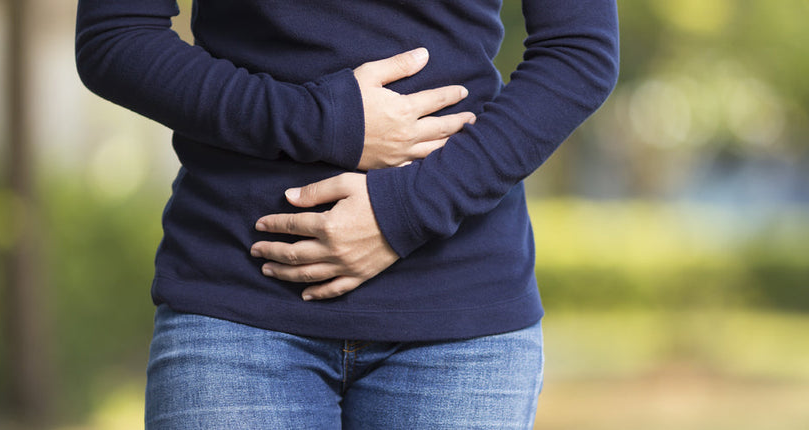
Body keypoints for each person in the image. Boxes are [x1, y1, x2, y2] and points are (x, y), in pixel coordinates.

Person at [75, 0, 618, 428]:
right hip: (237, 302)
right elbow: (117, 36)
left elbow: (579, 52)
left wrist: (407, 210)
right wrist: (322, 121)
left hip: (458, 320)